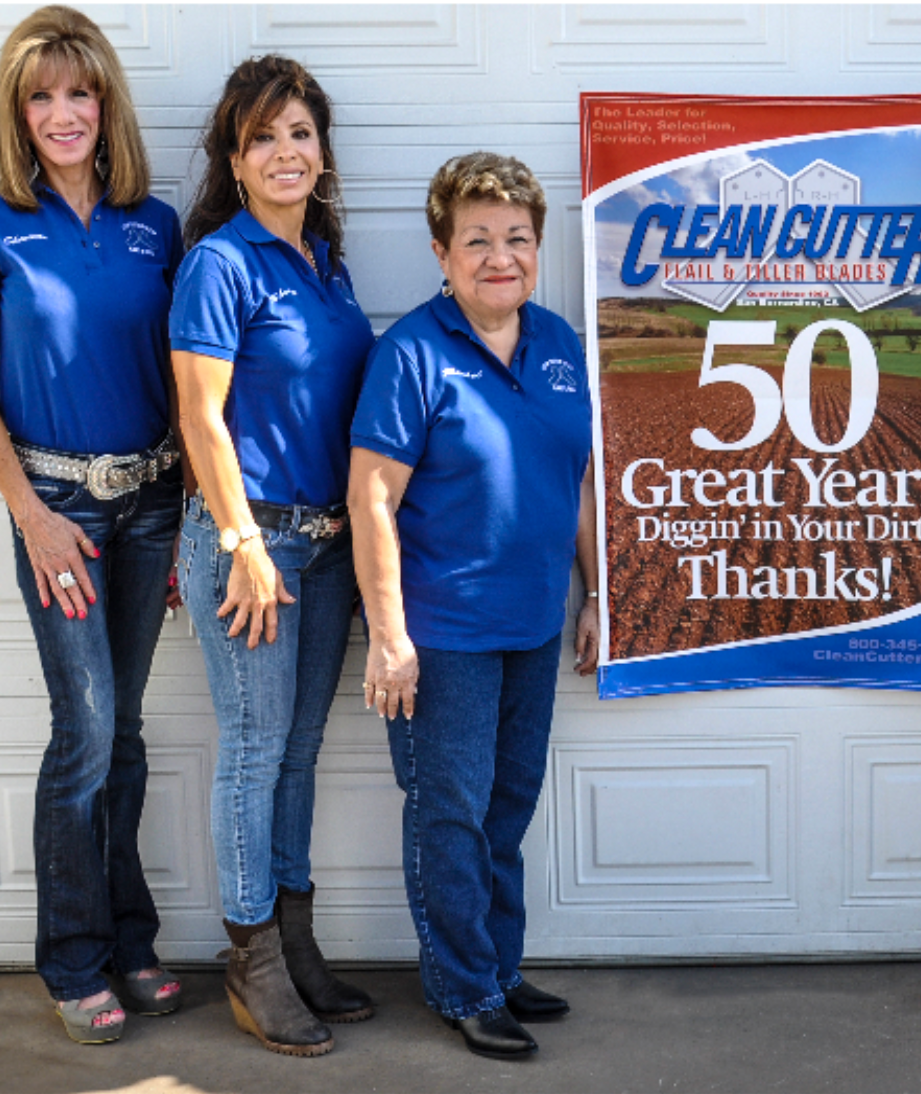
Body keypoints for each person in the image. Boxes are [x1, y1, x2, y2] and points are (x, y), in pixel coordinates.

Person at [0, 5, 185, 1045]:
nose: (61, 111)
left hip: (153, 504)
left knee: (123, 728)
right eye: (39, 94)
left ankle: (131, 937)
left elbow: (184, 380)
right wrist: (33, 516)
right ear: (17, 111)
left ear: (105, 100)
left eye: (77, 90)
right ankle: (73, 954)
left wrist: (187, 521)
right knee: (83, 731)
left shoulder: (155, 223)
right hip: (61, 508)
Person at [348, 152, 599, 1061]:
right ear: (442, 254)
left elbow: (574, 482)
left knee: (507, 803)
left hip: (531, 624)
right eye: (479, 240)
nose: (501, 257)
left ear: (538, 247)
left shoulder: (560, 345)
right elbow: (370, 498)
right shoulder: (411, 353)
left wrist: (596, 594)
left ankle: (496, 963)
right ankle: (464, 985)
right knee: (448, 810)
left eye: (518, 238)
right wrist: (388, 637)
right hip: (442, 634)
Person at [170, 54, 376, 1056]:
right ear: (234, 159)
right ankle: (250, 962)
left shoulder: (328, 265)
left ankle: (294, 942)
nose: (286, 151)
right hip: (255, 543)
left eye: (300, 131)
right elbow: (200, 418)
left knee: (296, 751)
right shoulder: (223, 261)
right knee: (253, 754)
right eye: (263, 136)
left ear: (322, 149)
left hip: (329, 546)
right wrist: (244, 540)